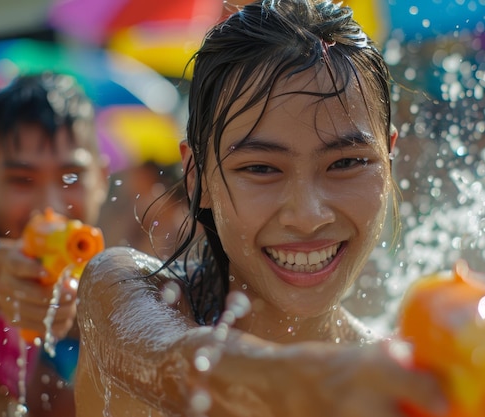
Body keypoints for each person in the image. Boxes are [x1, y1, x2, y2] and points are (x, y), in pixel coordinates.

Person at [74, 1, 450, 416]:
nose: (307, 216)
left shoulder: (394, 390)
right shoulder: (124, 292)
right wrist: (318, 385)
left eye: (346, 163)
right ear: (197, 177)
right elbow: (171, 362)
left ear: (390, 161)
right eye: (260, 168)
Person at [0, 72, 110, 417]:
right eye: (22, 180)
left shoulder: (86, 281)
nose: (49, 206)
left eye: (70, 178)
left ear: (102, 181)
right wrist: (9, 269)